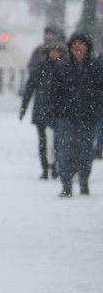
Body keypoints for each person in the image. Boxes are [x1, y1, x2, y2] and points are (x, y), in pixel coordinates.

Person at [48, 32, 101, 198]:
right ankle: (66, 184)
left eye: (81, 44)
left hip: (88, 117)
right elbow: (54, 93)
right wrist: (54, 112)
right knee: (65, 151)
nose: (78, 48)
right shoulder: (62, 67)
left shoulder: (95, 68)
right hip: (66, 117)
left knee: (86, 152)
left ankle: (84, 180)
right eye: (74, 44)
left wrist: (97, 109)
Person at [20, 39, 65, 179]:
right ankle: (45, 167)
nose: (54, 54)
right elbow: (29, 88)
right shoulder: (40, 68)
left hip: (57, 109)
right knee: (42, 141)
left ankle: (55, 166)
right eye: (52, 52)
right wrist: (23, 108)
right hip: (41, 108)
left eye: (56, 52)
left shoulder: (63, 69)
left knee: (58, 140)